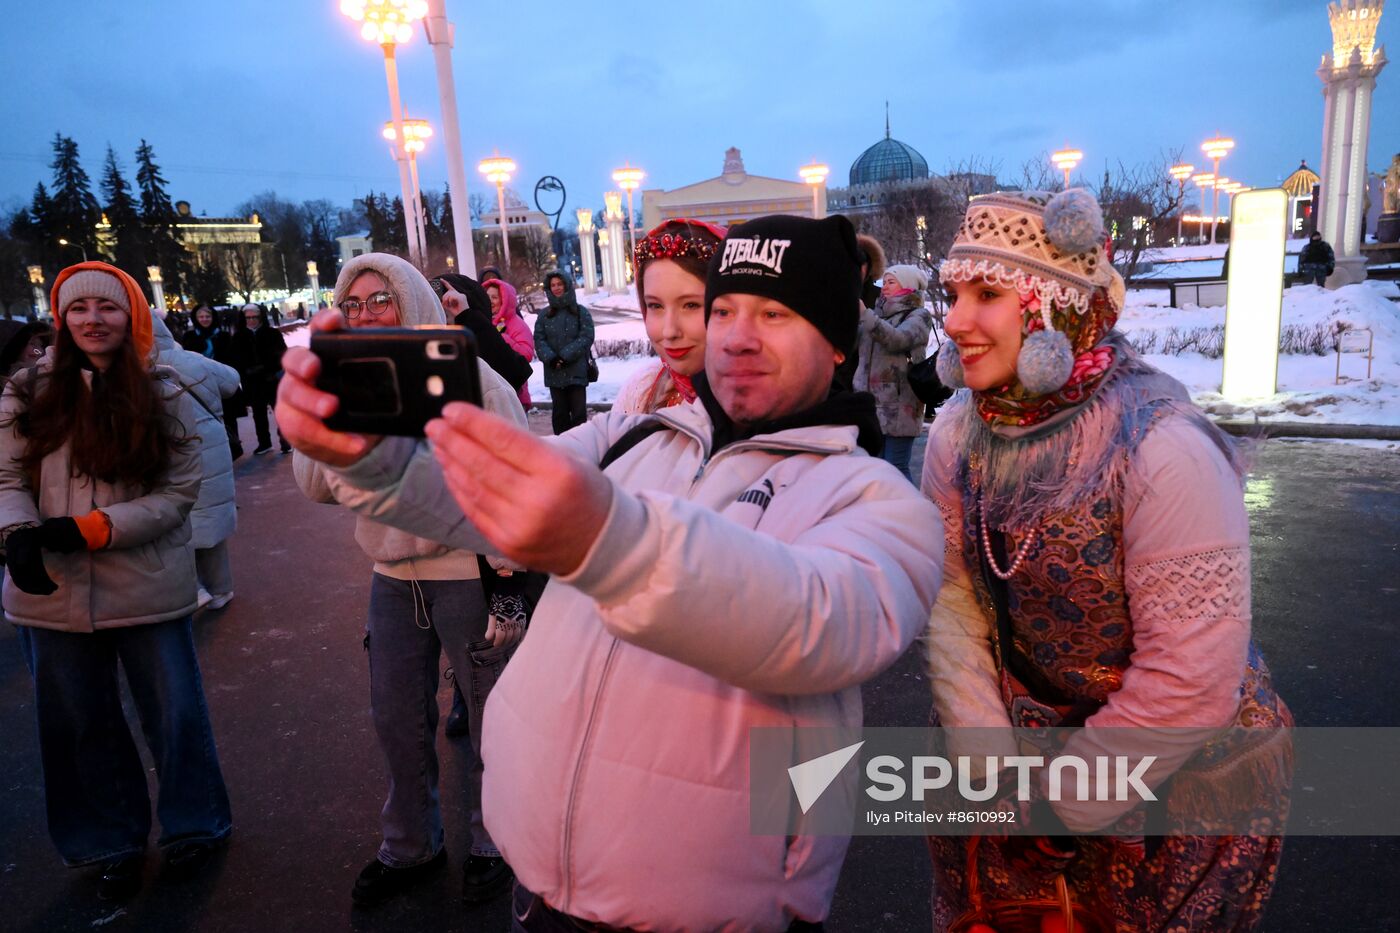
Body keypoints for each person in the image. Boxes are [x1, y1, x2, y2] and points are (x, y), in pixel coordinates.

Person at [275, 214, 943, 932]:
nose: (735, 337)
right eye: (723, 310)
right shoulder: (634, 436)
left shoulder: (878, 499)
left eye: (774, 314)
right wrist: (373, 461)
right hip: (540, 883)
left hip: (709, 911)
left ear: (837, 340)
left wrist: (604, 536)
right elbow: (486, 494)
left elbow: (815, 621)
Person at [923, 190, 1292, 930]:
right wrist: (990, 764)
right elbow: (952, 596)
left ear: (1055, 310)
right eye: (953, 294)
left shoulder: (1162, 446)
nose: (956, 320)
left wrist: (1060, 808)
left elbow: (1190, 675)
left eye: (987, 294)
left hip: (1172, 782)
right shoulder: (958, 430)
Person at [290, 253, 527, 908]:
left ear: (413, 300)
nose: (366, 314)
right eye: (354, 303)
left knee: (494, 719)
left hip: (469, 570)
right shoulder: (349, 381)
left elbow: (511, 483)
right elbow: (316, 487)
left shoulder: (472, 379)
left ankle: (497, 840)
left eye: (380, 299)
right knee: (396, 718)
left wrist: (508, 577)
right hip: (391, 576)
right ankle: (411, 843)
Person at [0, 262, 232, 902]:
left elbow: (179, 491)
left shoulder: (163, 389)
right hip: (50, 587)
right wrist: (16, 532)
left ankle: (195, 824)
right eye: (78, 309)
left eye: (107, 307)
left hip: (145, 578)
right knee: (80, 722)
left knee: (174, 714)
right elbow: (6, 478)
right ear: (60, 319)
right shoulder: (27, 390)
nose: (93, 320)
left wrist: (98, 527)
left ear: (131, 316)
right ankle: (110, 841)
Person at [152, 315, 240, 611]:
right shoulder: (191, 359)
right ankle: (222, 589)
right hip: (211, 446)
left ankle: (195, 587)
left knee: (174, 524)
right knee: (210, 520)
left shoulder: (132, 368)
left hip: (169, 451)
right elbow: (231, 381)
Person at [615, 218, 726, 414]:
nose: (669, 331)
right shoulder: (642, 390)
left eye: (691, 305)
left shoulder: (765, 404)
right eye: (655, 305)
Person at [853, 264, 933, 480]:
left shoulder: (919, 315)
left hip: (899, 406)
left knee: (896, 467)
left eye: (891, 282)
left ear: (907, 285)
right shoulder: (877, 315)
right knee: (876, 468)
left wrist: (866, 315)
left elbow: (898, 339)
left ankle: (907, 503)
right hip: (871, 404)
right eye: (884, 282)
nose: (885, 287)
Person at [533, 271, 594, 435]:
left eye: (559, 284)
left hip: (576, 373)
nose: (556, 288)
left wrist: (565, 356)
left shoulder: (580, 312)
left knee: (579, 415)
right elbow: (539, 340)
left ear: (566, 285)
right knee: (560, 415)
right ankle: (561, 446)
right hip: (554, 373)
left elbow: (586, 337)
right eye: (553, 285)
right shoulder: (544, 316)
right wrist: (552, 358)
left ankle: (581, 445)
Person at [229, 303, 290, 455]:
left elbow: (282, 354)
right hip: (252, 381)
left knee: (280, 411)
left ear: (261, 317)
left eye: (254, 317)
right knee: (258, 413)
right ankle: (264, 443)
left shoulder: (272, 333)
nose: (251, 320)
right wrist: (246, 371)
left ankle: (285, 441)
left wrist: (269, 368)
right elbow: (236, 358)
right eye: (248, 318)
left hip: (272, 379)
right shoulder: (239, 336)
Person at [481, 277, 536, 408]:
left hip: (514, 392)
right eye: (487, 297)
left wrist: (502, 339)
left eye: (494, 297)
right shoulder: (483, 321)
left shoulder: (517, 324)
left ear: (504, 300)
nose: (490, 301)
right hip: (490, 391)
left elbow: (527, 354)